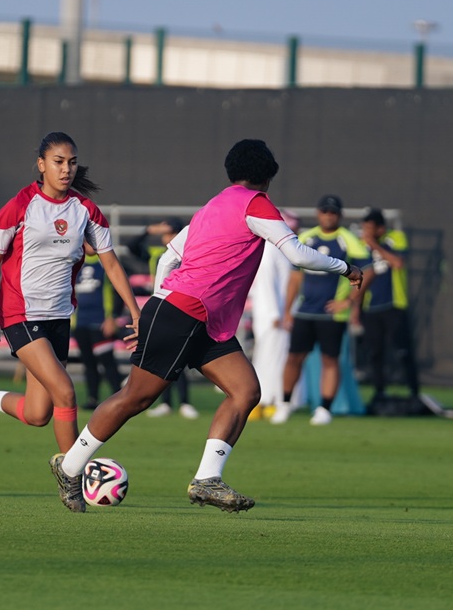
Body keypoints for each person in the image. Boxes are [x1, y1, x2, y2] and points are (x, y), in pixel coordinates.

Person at [52, 140, 363, 513]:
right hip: (184, 312)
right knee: (136, 397)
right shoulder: (256, 203)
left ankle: (206, 480)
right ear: (268, 176)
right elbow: (296, 253)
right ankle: (69, 466)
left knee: (245, 390)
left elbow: (168, 259)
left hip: (197, 318)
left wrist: (155, 305)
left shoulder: (213, 206)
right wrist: (346, 268)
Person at [0, 132, 142, 466]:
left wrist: (135, 311)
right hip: (19, 313)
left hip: (58, 317)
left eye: (72, 162)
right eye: (59, 162)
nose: (66, 169)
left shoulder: (85, 210)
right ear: (41, 165)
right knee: (65, 391)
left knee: (38, 413)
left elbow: (111, 263)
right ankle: (73, 474)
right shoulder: (20, 205)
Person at [271, 194, 370, 426]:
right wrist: (287, 310)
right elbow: (295, 278)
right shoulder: (307, 237)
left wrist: (348, 301)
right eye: (325, 211)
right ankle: (284, 404)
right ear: (318, 213)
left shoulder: (348, 240)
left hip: (331, 313)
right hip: (305, 310)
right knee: (294, 357)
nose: (328, 216)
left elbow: (366, 271)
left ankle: (325, 408)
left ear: (339, 215)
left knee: (330, 359)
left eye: (333, 212)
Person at [129, 218, 197, 419]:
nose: (165, 238)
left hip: (182, 308)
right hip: (161, 309)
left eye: (169, 233)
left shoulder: (189, 254)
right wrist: (148, 229)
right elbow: (132, 247)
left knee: (180, 358)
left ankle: (185, 402)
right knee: (163, 357)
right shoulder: (158, 255)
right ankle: (166, 403)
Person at [359, 208, 420, 412]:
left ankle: (414, 391)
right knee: (375, 352)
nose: (366, 232)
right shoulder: (361, 246)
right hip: (371, 306)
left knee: (402, 349)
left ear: (380, 228)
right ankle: (379, 391)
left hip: (394, 304)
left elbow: (398, 262)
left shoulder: (395, 238)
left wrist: (374, 245)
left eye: (370, 227)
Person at [246, 209, 300, 420]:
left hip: (278, 312)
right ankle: (267, 400)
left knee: (278, 357)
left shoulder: (280, 248)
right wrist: (276, 313)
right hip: (273, 315)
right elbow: (267, 285)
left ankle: (275, 400)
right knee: (271, 358)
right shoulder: (271, 248)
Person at [73, 243, 125, 409]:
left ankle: (120, 398)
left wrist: (113, 318)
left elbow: (119, 292)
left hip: (101, 322)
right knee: (88, 363)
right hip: (81, 322)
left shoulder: (106, 262)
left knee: (107, 361)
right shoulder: (75, 263)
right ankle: (92, 399)